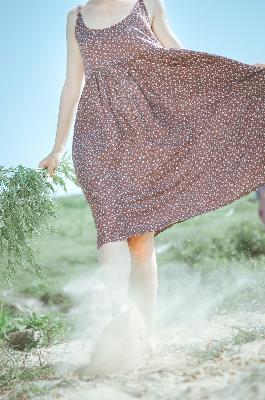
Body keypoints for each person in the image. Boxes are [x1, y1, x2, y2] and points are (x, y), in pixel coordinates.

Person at [38, 0, 265, 350]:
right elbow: (72, 85)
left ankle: (146, 334)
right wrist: (57, 147)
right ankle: (123, 322)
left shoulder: (147, 5)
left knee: (141, 244)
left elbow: (182, 58)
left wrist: (237, 74)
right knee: (110, 224)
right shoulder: (76, 19)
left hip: (149, 133)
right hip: (97, 136)